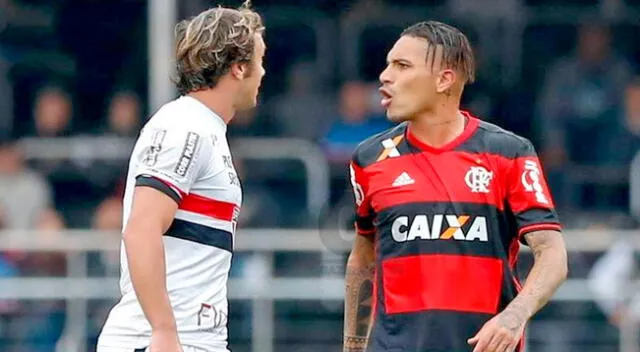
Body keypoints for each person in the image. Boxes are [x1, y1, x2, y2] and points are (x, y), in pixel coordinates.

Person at [343, 21, 568, 352]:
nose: (385, 76)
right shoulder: (369, 159)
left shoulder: (508, 153)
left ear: (445, 79)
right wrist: (352, 347)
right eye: (389, 64)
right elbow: (363, 259)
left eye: (402, 66)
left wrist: (513, 317)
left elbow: (553, 254)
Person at [97, 2, 265, 352]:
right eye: (260, 61)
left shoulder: (205, 128)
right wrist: (163, 331)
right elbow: (141, 229)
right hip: (159, 340)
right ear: (237, 68)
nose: (263, 73)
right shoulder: (186, 126)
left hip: (195, 339)